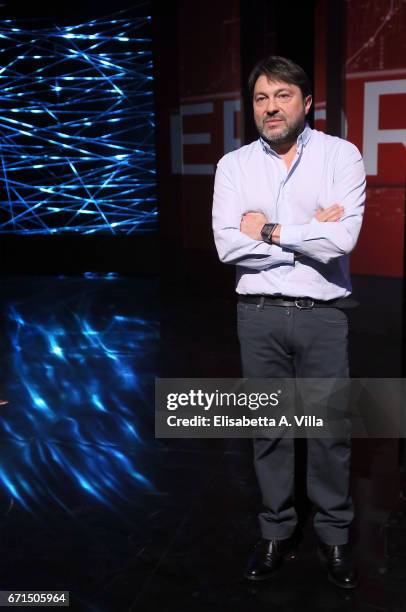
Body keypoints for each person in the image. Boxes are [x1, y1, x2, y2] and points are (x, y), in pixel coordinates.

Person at [212, 55, 366, 589]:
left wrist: (270, 231)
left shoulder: (341, 156)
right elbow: (228, 247)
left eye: (282, 95)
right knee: (268, 432)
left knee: (329, 433)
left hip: (324, 317)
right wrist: (306, 234)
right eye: (260, 97)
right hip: (257, 316)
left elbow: (342, 242)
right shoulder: (233, 167)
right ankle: (276, 531)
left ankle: (334, 536)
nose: (270, 107)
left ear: (306, 102)